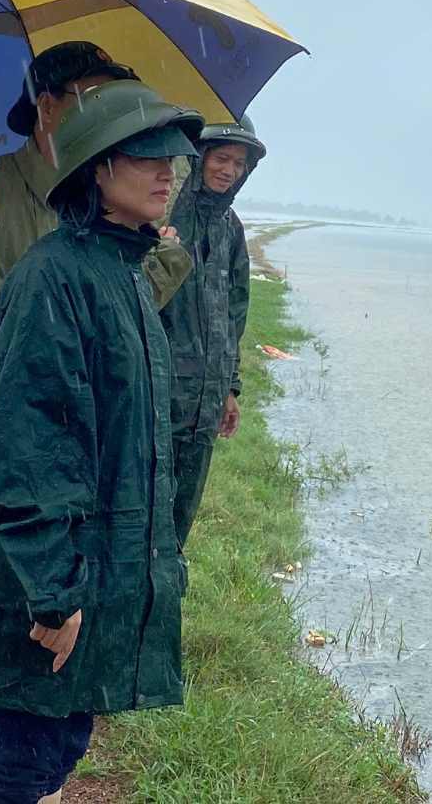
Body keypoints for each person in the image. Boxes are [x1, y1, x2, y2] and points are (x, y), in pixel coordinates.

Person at [0, 41, 192, 802]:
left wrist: (165, 256)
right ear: (49, 104)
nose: (164, 168)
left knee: (40, 707)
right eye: (92, 100)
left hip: (67, 461)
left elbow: (116, 346)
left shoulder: (107, 252)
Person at [159, 115, 266, 546]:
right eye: (221, 157)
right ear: (198, 156)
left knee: (178, 528)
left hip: (204, 407)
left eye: (239, 163)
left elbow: (232, 315)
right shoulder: (164, 216)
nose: (229, 170)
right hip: (157, 401)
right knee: (139, 525)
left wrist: (230, 388)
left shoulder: (230, 228)